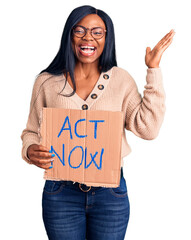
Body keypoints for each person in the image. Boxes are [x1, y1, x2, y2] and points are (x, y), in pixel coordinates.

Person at [21, 5, 175, 240]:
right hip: (60, 193)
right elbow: (31, 132)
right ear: (69, 35)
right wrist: (30, 150)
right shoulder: (46, 82)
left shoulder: (121, 80)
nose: (88, 38)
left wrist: (153, 70)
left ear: (106, 38)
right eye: (79, 30)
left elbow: (149, 129)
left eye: (97, 32)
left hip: (110, 195)